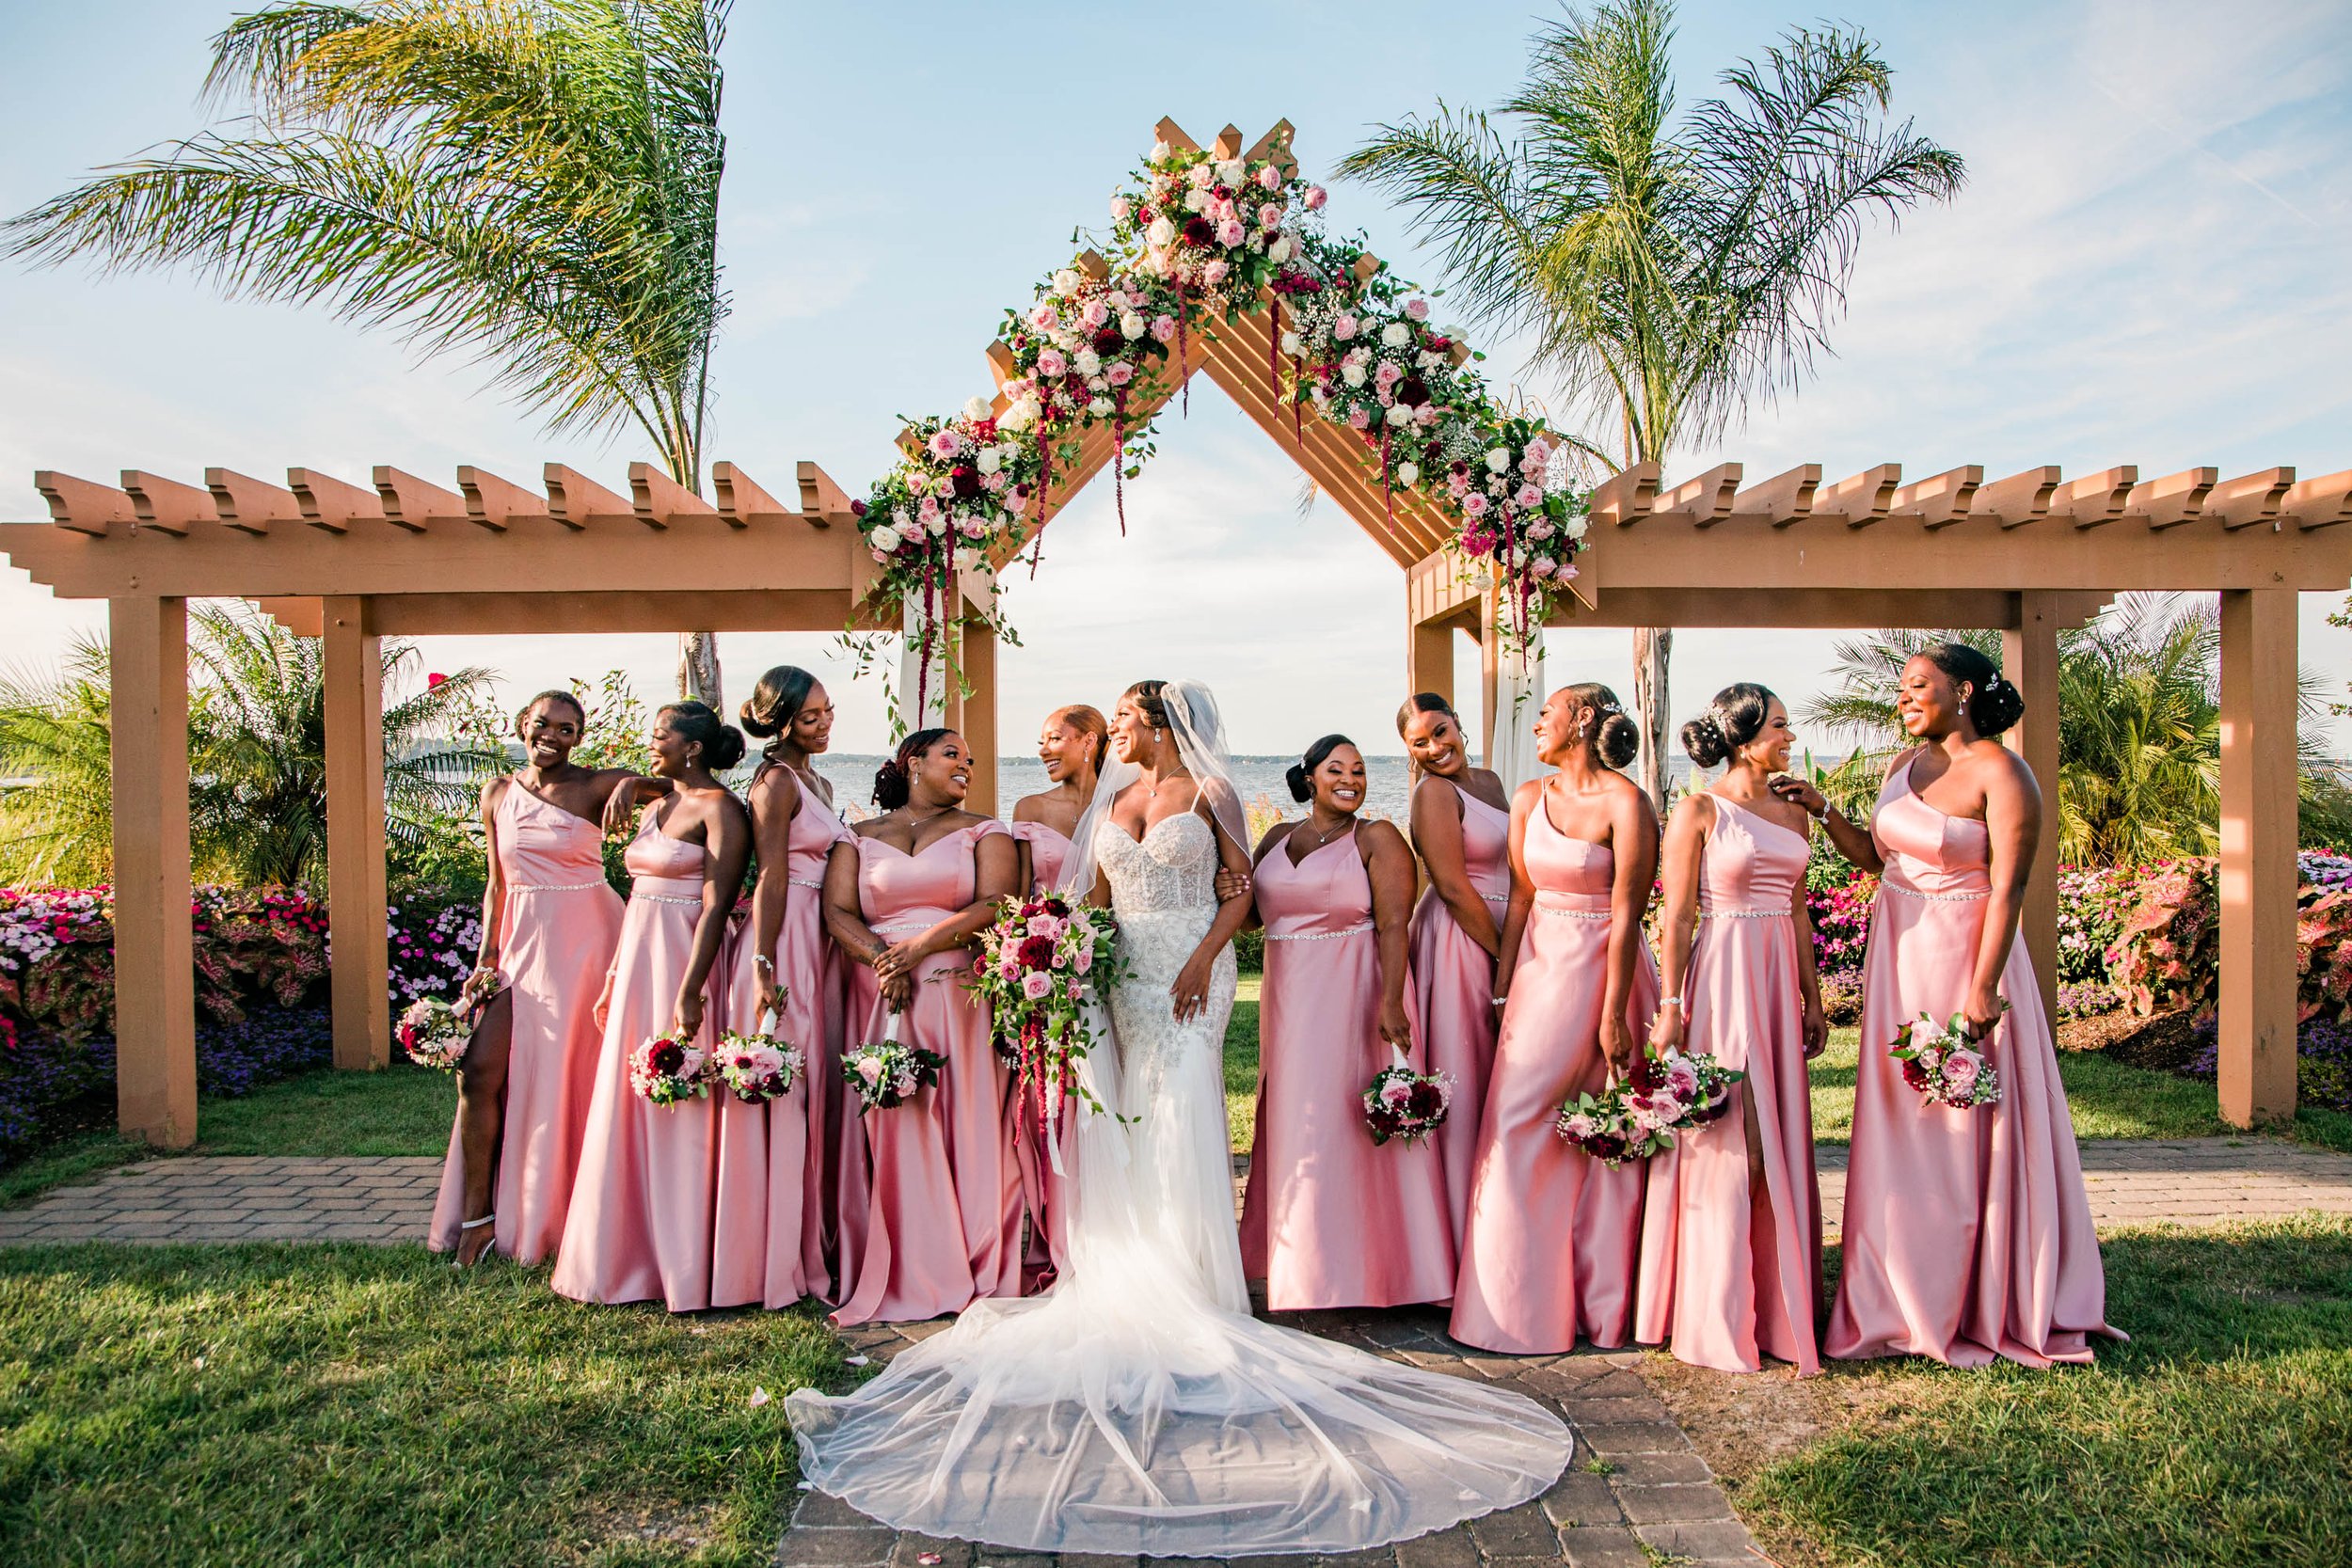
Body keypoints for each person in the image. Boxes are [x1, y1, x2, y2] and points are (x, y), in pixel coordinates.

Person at [785, 679, 1571, 1559]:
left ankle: (1192, 1279)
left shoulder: (1211, 792)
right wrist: (1055, 955)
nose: (1114, 729)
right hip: (1119, 981)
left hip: (1187, 973)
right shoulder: (1116, 799)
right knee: (1123, 1120)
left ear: (1158, 725)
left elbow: (1238, 891)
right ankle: (1130, 1259)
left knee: (1181, 1111)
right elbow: (1092, 898)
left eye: (1123, 718)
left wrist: (1205, 959)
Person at [1777, 643, 2118, 1368]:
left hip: (1964, 959)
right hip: (1898, 959)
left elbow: (2010, 889)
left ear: (1962, 690)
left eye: (1916, 686)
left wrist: (1982, 985)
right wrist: (1825, 808)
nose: (1903, 698)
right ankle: (1891, 1292)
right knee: (1900, 1120)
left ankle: (1968, 1291)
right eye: (1901, 689)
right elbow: (1880, 857)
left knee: (1961, 1124)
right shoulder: (1904, 768)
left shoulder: (2002, 771)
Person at [1451, 683, 1660, 1354]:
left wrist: (1613, 1014)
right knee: (1513, 1125)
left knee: (1600, 1137)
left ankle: (1599, 1297)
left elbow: (1630, 914)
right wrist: (1504, 988)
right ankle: (1511, 1306)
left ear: (1584, 718)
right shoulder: (1526, 798)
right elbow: (1518, 902)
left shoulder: (1628, 802)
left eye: (1549, 711)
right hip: (1540, 976)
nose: (1538, 722)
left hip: (1605, 970)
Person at [1634, 684, 1828, 1374]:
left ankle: (1777, 1304)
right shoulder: (1698, 811)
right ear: (1745, 736)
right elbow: (1677, 916)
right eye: (1780, 724)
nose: (1790, 735)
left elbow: (1799, 910)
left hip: (1778, 979)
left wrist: (1812, 997)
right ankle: (1715, 1306)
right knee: (1731, 1139)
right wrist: (1670, 1005)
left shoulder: (1795, 811)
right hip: (1722, 977)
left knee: (1775, 1143)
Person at [550, 703, 755, 1311]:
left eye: (659, 735)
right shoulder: (654, 803)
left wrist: (691, 989)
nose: (650, 743)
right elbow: (638, 895)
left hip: (680, 960)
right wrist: (616, 974)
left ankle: (683, 1258)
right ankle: (622, 1249)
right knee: (627, 1102)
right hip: (638, 960)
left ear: (691, 747)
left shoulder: (722, 810)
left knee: (681, 1102)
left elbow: (718, 903)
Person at [1243, 734, 1454, 1309]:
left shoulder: (1377, 837)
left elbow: (1393, 925)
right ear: (1309, 776)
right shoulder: (1277, 838)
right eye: (1337, 769)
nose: (1351, 780)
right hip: (1287, 999)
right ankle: (1299, 1261)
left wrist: (1391, 1000)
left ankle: (1366, 1270)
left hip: (1352, 992)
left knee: (1343, 1122)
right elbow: (1250, 919)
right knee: (1295, 1119)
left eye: (1359, 771)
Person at [428, 689, 632, 1268]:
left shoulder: (595, 784)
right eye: (543, 725)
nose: (553, 737)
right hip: (520, 945)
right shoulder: (497, 793)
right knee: (479, 1071)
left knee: (572, 1077)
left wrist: (625, 787)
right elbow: (497, 883)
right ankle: (476, 1219)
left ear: (579, 738)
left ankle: (570, 1216)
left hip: (587, 942)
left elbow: (679, 787)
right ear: (524, 724)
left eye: (567, 730)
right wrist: (485, 960)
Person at [822, 727, 1020, 1325]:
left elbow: (994, 904)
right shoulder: (858, 836)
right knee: (890, 1114)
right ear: (913, 762)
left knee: (962, 1114)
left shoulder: (986, 830)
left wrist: (916, 950)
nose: (968, 763)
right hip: (879, 992)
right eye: (953, 754)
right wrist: (883, 961)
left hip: (954, 991)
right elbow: (837, 911)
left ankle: (973, 1253)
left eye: (970, 756)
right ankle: (898, 1253)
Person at [714, 665, 851, 1307]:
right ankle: (769, 1256)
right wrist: (764, 963)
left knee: (815, 1084)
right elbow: (769, 875)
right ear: (780, 720)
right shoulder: (774, 783)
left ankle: (811, 1239)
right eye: (810, 717)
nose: (824, 725)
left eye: (827, 712)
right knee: (787, 1090)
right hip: (788, 933)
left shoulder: (813, 777)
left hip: (820, 935)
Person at [1397, 691, 1512, 1246]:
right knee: (1465, 1069)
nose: (1435, 748)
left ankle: (1504, 1212)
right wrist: (1504, 957)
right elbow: (1451, 885)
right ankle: (1462, 1234)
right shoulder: (1433, 793)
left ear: (1459, 724)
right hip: (1462, 938)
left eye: (1441, 732)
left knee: (1500, 1071)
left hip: (1504, 931)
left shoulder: (1489, 782)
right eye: (1420, 742)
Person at [1005, 704, 1110, 1287]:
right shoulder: (1029, 810)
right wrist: (1021, 961)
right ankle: (1055, 1227)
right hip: (1045, 972)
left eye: (1054, 739)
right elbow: (1018, 900)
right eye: (1040, 741)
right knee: (1049, 1096)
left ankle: (1105, 1225)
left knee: (1103, 1093)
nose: (1043, 750)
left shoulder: (1119, 806)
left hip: (1110, 969)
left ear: (1089, 741)